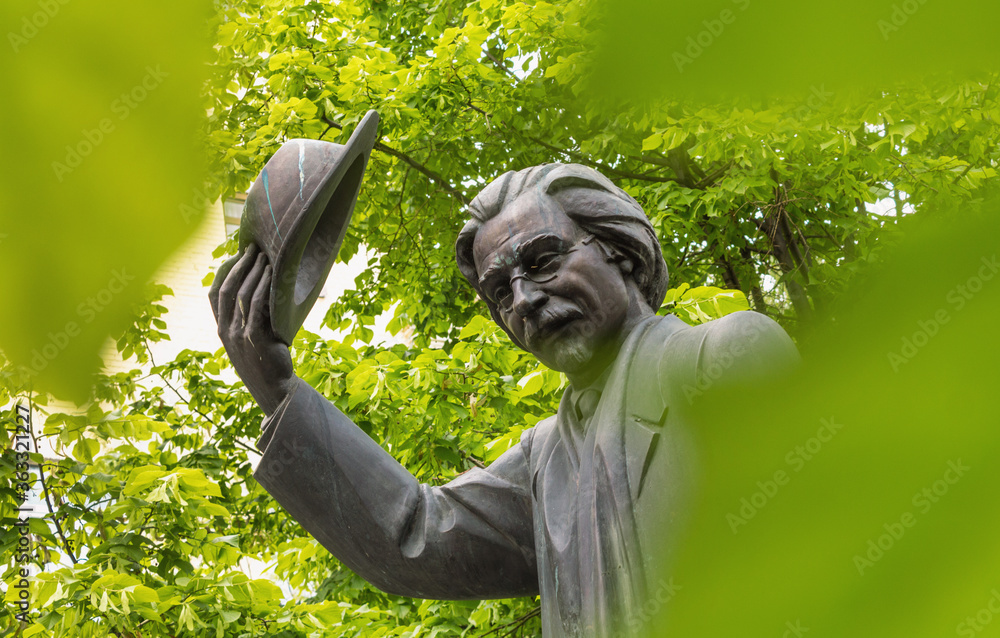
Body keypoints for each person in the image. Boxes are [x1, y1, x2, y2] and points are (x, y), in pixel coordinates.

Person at [209, 163, 799, 637]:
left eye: (542, 260)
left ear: (618, 248)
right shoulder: (546, 459)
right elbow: (417, 532)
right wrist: (278, 391)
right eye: (499, 292)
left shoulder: (724, 357)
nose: (523, 300)